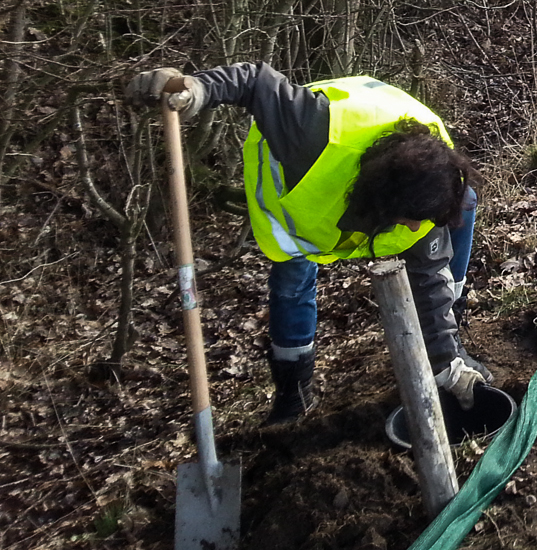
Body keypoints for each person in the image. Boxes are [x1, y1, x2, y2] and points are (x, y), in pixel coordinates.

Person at [125, 63, 492, 425]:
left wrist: (447, 363)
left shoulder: (432, 184)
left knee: (451, 236)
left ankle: (449, 344)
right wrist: (197, 89)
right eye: (411, 220)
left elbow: (428, 278)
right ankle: (293, 392)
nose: (416, 228)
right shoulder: (310, 131)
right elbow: (254, 81)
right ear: (385, 201)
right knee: (293, 280)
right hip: (299, 196)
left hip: (374, 173)